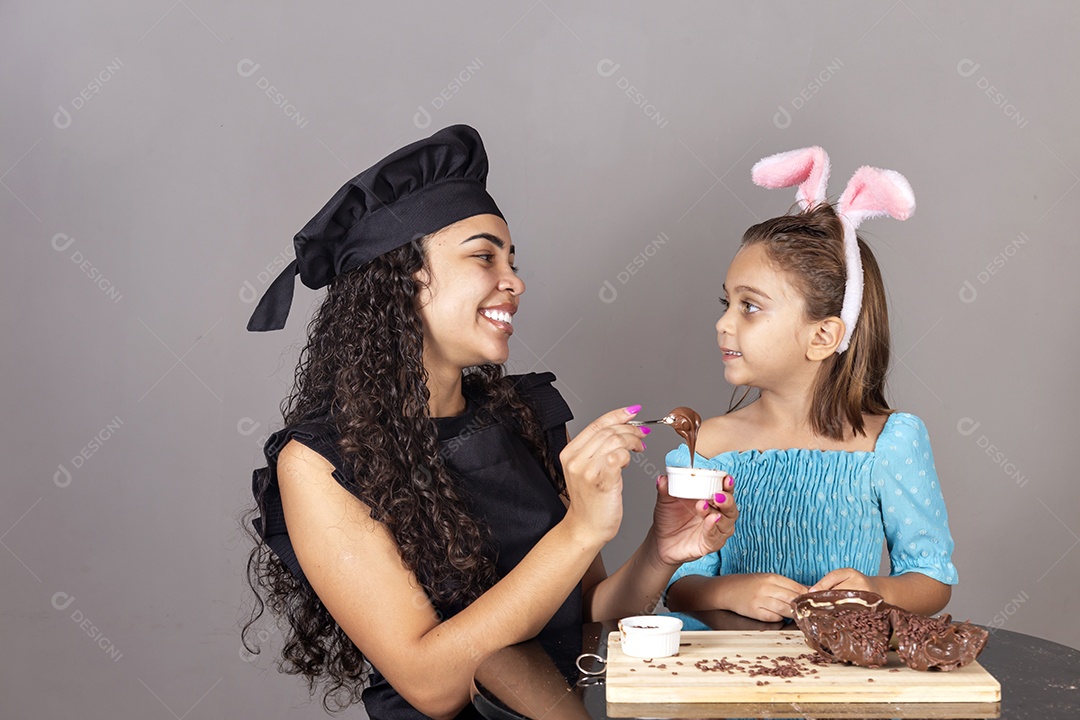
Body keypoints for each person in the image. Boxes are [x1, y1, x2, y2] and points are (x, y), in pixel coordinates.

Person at [242, 124, 738, 719]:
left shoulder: (525, 416)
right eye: (483, 256)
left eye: (512, 259)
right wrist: (580, 528)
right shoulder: (320, 463)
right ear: (402, 279)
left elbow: (587, 621)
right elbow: (431, 684)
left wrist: (661, 551)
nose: (515, 281)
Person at [664, 146, 957, 625]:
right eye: (727, 302)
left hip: (841, 681)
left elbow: (931, 578)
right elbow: (678, 589)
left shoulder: (890, 444)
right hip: (727, 684)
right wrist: (732, 590)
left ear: (823, 335)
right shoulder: (704, 447)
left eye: (750, 306)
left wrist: (876, 589)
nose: (723, 323)